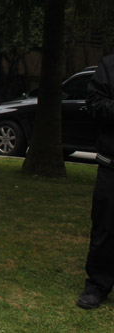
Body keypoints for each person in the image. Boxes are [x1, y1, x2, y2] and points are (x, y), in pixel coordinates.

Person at [77, 53, 114, 309]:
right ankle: (98, 285)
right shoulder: (109, 65)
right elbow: (95, 105)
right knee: (105, 228)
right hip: (112, 165)